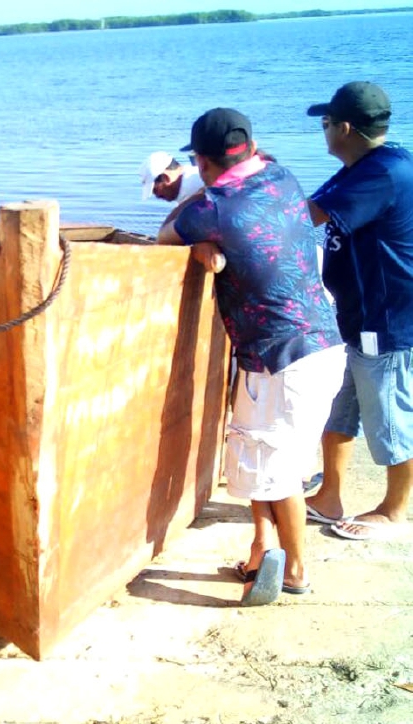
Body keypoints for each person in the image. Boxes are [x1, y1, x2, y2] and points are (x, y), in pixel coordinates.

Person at [157, 108, 344, 605]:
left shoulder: (213, 206)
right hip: (318, 343)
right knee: (259, 454)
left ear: (201, 161)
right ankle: (262, 550)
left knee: (279, 470)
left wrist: (196, 215)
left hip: (283, 359)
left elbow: (165, 233)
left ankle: (297, 568)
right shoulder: (283, 176)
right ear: (251, 146)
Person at [304, 81, 413, 541]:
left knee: (390, 417)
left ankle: (394, 509)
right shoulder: (358, 166)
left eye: (326, 123)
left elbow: (307, 217)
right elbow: (313, 206)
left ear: (345, 127)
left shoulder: (382, 174)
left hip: (385, 320)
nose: (324, 130)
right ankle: (330, 495)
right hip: (354, 316)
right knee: (339, 411)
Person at [139, 150, 204, 203]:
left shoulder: (189, 191)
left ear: (166, 178)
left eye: (155, 190)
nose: (158, 196)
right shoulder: (193, 172)